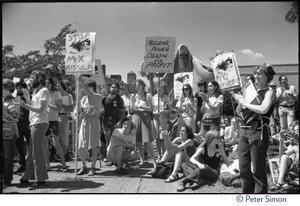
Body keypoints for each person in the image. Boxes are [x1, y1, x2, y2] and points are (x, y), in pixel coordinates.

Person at [233, 63, 276, 193]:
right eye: (255, 73)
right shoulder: (250, 91)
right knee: (243, 168)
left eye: (259, 73)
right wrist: (240, 103)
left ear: (267, 76)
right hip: (244, 131)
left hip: (258, 131)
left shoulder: (270, 92)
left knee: (258, 169)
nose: (256, 76)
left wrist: (245, 102)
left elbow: (263, 109)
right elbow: (239, 112)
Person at [19, 70, 50, 190]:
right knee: (31, 152)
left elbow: (41, 109)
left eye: (33, 77)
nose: (30, 79)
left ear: (39, 78)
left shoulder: (44, 91)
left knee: (37, 152)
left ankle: (41, 179)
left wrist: (24, 105)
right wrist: (27, 98)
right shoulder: (37, 91)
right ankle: (27, 176)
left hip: (39, 123)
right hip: (34, 123)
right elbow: (34, 106)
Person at [76, 75, 103, 176]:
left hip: (94, 121)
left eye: (88, 86)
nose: (85, 88)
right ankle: (83, 166)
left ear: (93, 87)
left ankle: (92, 167)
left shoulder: (97, 96)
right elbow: (80, 111)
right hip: (84, 121)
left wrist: (80, 80)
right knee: (81, 146)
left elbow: (89, 94)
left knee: (94, 145)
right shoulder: (83, 98)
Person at [129, 79, 157, 174]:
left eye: (139, 85)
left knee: (147, 141)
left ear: (142, 85)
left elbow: (150, 108)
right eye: (136, 85)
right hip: (135, 117)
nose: (137, 86)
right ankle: (142, 161)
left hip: (145, 118)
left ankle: (155, 163)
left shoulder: (148, 95)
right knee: (138, 141)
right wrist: (132, 103)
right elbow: (131, 111)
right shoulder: (133, 96)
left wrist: (141, 107)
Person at [44, 77, 68, 172]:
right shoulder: (42, 93)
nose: (47, 85)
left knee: (56, 144)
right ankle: (47, 165)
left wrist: (48, 105)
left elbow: (59, 108)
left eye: (49, 83)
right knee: (45, 144)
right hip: (43, 121)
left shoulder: (56, 93)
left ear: (52, 84)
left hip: (53, 121)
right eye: (45, 83)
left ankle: (64, 164)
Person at [102, 82, 125, 165]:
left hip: (116, 122)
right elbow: (100, 108)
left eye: (115, 87)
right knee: (108, 139)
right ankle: (109, 158)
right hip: (106, 122)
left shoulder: (120, 99)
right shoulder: (104, 98)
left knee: (116, 140)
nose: (113, 89)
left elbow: (123, 112)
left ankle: (117, 158)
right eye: (112, 87)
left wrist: (120, 121)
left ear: (117, 89)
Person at [2, 79, 20, 189]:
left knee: (8, 157)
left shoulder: (15, 100)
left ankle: (7, 180)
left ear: (8, 89)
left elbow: (13, 116)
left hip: (9, 131)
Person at [273, 121, 299, 191]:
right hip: (295, 167)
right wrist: (281, 139)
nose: (296, 132)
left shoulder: (295, 144)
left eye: (298, 130)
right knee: (284, 157)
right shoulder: (293, 144)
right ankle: (280, 182)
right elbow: (282, 156)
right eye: (296, 130)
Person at [197, 80, 224, 145]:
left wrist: (206, 100)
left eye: (211, 86)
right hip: (205, 120)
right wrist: (204, 103)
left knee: (213, 140)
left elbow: (214, 108)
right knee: (203, 139)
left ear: (216, 87)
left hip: (214, 121)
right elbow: (202, 111)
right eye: (208, 86)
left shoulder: (220, 96)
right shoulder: (207, 96)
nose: (209, 87)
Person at [152, 81, 172, 160]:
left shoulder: (167, 97)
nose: (159, 89)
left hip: (163, 119)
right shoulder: (153, 98)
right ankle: (159, 155)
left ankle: (164, 154)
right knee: (157, 138)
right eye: (158, 87)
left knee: (163, 137)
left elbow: (170, 110)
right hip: (156, 119)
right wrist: (154, 113)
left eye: (161, 88)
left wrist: (164, 111)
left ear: (164, 89)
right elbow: (151, 110)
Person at [14, 82, 31, 173]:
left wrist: (26, 97)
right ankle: (22, 164)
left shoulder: (29, 97)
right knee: (19, 144)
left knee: (30, 143)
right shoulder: (14, 98)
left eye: (20, 87)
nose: (18, 89)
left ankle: (32, 163)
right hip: (17, 123)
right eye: (17, 88)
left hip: (27, 123)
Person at [56, 80, 74, 161]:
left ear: (63, 87)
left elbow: (71, 108)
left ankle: (64, 155)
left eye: (59, 86)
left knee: (63, 137)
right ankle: (58, 155)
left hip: (63, 116)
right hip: (54, 117)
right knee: (56, 138)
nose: (57, 87)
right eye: (56, 86)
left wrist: (61, 105)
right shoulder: (55, 95)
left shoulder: (69, 96)